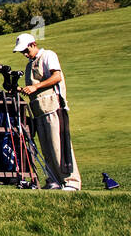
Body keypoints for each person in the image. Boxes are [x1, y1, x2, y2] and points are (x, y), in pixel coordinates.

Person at [14, 32, 81, 190]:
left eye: (25, 50)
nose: (24, 54)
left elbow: (56, 76)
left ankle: (71, 182)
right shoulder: (29, 65)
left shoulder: (48, 55)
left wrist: (35, 86)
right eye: (21, 52)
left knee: (59, 145)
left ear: (33, 44)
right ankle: (55, 180)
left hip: (54, 106)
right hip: (39, 110)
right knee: (47, 149)